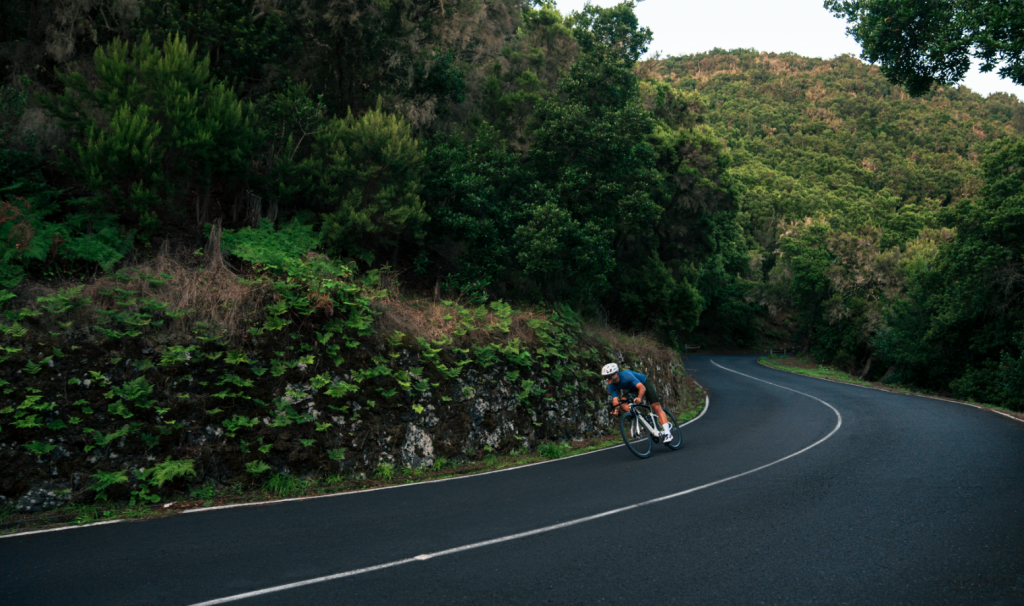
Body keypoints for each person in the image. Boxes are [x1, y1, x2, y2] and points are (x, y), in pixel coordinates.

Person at [601, 362, 673, 441]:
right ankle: (643, 418)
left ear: (615, 375)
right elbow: (615, 401)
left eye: (608, 377)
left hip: (644, 384)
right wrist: (616, 410)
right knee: (622, 402)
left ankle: (668, 434)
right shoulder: (611, 385)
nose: (607, 379)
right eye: (605, 377)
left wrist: (639, 398)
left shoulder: (627, 375)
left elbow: (642, 388)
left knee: (655, 406)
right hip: (634, 389)